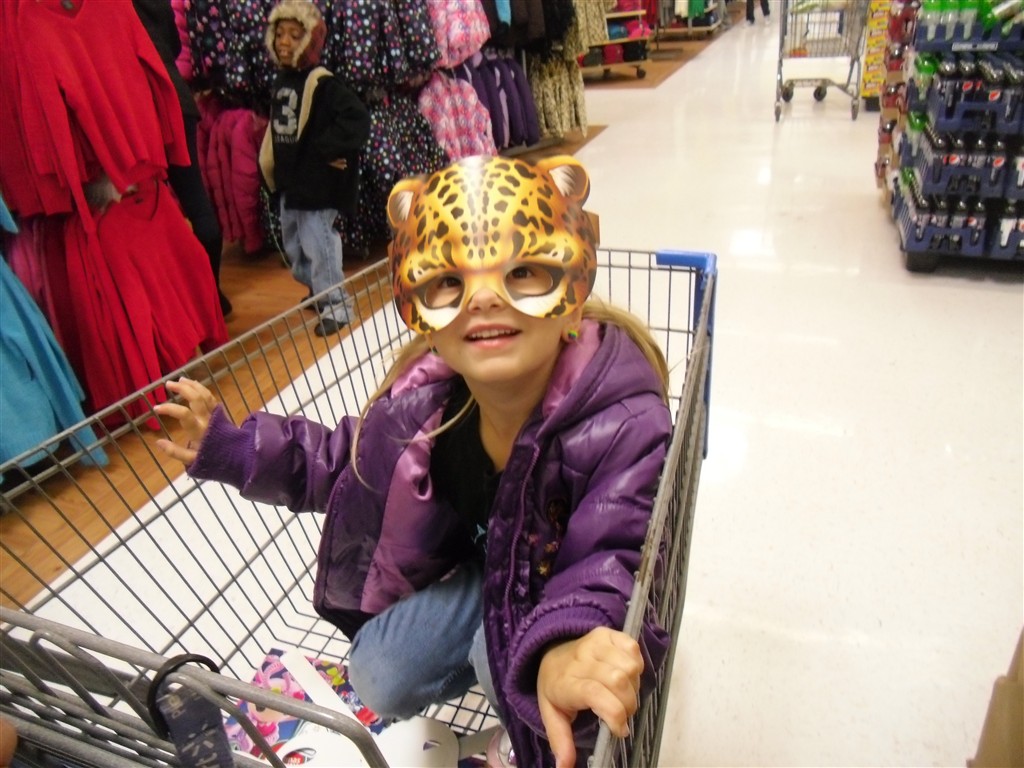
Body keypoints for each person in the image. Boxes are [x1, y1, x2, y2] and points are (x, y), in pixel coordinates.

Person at [154, 154, 672, 768]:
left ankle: (515, 692)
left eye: (524, 271)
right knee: (376, 673)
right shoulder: (427, 405)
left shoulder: (621, 420)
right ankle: (500, 643)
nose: (483, 297)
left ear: (572, 294)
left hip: (557, 585)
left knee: (508, 657)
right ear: (421, 314)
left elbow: (614, 554)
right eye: (449, 281)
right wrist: (233, 448)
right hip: (483, 574)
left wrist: (563, 643)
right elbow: (345, 465)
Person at [258, 0, 370, 337]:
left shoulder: (323, 83)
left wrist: (324, 150)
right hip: (291, 183)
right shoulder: (282, 80)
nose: (285, 42)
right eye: (280, 34)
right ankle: (319, 290)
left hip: (317, 187)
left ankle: (337, 305)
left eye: (295, 35)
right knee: (294, 248)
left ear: (310, 41)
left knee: (320, 246)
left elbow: (357, 118)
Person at [132, 0, 232, 319]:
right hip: (175, 98)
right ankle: (212, 296)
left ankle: (185, 303)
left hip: (140, 108)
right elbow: (175, 46)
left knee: (153, 210)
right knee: (196, 202)